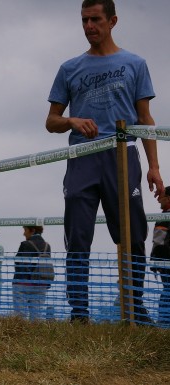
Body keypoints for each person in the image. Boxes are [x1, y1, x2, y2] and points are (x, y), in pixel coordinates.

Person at [46, 0, 162, 324]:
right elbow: (51, 121)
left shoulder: (135, 63)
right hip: (81, 157)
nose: (89, 27)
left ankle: (134, 307)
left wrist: (154, 167)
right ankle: (79, 313)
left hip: (122, 155)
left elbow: (145, 118)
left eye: (95, 19)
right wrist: (72, 121)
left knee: (132, 234)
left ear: (112, 21)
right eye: (84, 20)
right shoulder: (69, 68)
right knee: (78, 237)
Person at [13, 226, 53, 321]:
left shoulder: (25, 244)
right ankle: (35, 334)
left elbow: (18, 262)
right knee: (36, 316)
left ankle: (21, 335)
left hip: (22, 283)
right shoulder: (47, 246)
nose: (24, 233)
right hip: (41, 284)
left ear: (33, 230)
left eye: (25, 230)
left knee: (20, 316)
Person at [150, 186, 170, 326]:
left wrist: (155, 261)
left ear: (168, 199)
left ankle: (163, 324)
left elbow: (158, 244)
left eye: (161, 197)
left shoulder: (163, 218)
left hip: (166, 263)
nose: (158, 200)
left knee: (167, 292)